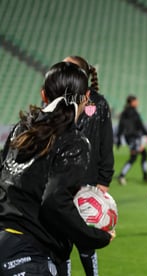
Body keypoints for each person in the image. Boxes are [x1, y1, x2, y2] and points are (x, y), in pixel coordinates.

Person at [0, 62, 114, 276]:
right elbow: (54, 202)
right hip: (30, 255)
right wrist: (96, 237)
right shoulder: (74, 141)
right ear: (86, 96)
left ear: (44, 95)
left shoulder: (21, 129)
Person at [63, 56, 115, 276]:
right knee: (61, 240)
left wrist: (104, 179)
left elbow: (106, 141)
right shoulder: (60, 101)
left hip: (88, 181)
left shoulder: (99, 103)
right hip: (60, 181)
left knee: (86, 241)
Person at [116, 95, 147, 185]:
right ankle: (121, 176)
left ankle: (145, 175)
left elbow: (121, 126)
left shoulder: (124, 113)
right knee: (134, 157)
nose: (137, 102)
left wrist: (118, 139)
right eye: (136, 101)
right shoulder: (135, 113)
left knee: (143, 154)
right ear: (132, 102)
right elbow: (140, 126)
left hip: (129, 138)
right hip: (134, 137)